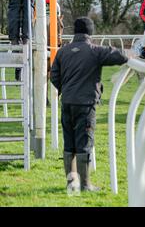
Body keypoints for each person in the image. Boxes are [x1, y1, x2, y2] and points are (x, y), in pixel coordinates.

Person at [50, 17, 128, 192]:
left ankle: (71, 184)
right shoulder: (95, 50)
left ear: (75, 31)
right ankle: (85, 185)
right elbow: (121, 56)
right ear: (90, 32)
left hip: (67, 102)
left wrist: (66, 89)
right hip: (85, 104)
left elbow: (54, 75)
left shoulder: (63, 51)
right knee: (84, 143)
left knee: (69, 144)